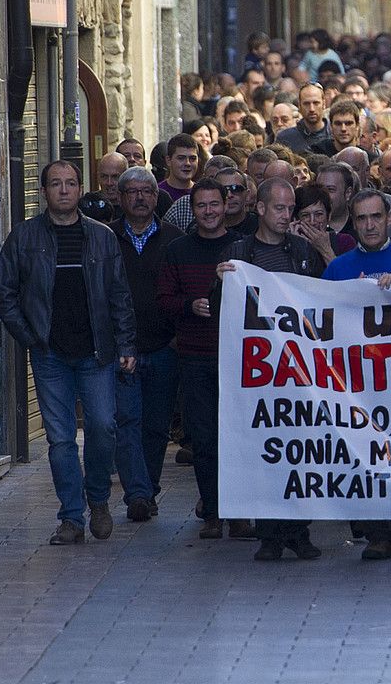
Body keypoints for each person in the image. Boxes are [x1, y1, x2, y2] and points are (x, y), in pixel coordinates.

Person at [0, 161, 137, 545]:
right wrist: (29, 336)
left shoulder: (102, 237)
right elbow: (1, 291)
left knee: (104, 427)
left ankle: (99, 500)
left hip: (96, 353)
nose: (64, 190)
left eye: (71, 183)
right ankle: (71, 517)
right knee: (60, 440)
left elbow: (120, 294)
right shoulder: (23, 238)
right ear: (44, 192)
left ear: (79, 188)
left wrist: (126, 343)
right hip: (50, 354)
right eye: (56, 184)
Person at [216, 178, 325, 561]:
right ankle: (270, 533)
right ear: (259, 208)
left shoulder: (302, 251)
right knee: (267, 450)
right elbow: (223, 313)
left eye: (289, 209)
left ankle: (298, 531)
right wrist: (221, 285)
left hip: (297, 372)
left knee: (301, 451)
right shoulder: (240, 253)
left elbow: (321, 302)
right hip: (259, 375)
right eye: (278, 208)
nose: (286, 216)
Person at [323, 189, 391, 561]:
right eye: (362, 219)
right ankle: (377, 535)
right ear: (354, 222)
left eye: (376, 217)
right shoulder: (337, 269)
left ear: (388, 219)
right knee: (365, 457)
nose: (369, 225)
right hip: (357, 385)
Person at [156, 178, 249, 541]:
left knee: (238, 438)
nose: (209, 212)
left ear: (226, 205)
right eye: (201, 206)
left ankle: (239, 512)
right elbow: (163, 300)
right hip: (195, 358)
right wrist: (188, 305)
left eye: (214, 204)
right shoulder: (178, 250)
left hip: (240, 360)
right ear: (191, 210)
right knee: (205, 439)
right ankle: (212, 511)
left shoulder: (243, 248)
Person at [111, 166, 183, 518]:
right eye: (133, 192)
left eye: (147, 191)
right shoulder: (107, 238)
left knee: (156, 426)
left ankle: (148, 487)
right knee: (127, 422)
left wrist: (175, 340)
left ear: (157, 197)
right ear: (121, 197)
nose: (140, 198)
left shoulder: (174, 239)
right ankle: (137, 494)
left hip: (164, 347)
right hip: (122, 350)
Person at [277, 83, 331, 155]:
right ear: (299, 105)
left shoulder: (335, 134)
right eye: (306, 104)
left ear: (324, 104)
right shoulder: (285, 138)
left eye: (316, 103)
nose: (311, 109)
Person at [156, 134, 200, 207]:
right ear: (168, 160)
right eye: (181, 158)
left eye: (192, 158)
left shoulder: (202, 194)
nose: (187, 163)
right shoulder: (157, 194)